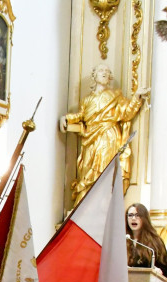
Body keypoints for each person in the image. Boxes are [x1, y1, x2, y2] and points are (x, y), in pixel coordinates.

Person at [60, 64, 149, 205]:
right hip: (90, 139)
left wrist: (136, 97)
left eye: (107, 71)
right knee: (87, 170)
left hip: (108, 136)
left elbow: (126, 113)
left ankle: (102, 205)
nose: (105, 73)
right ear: (94, 76)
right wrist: (67, 118)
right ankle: (85, 205)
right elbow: (81, 115)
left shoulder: (115, 96)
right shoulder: (87, 99)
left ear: (110, 78)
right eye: (101, 70)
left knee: (103, 171)